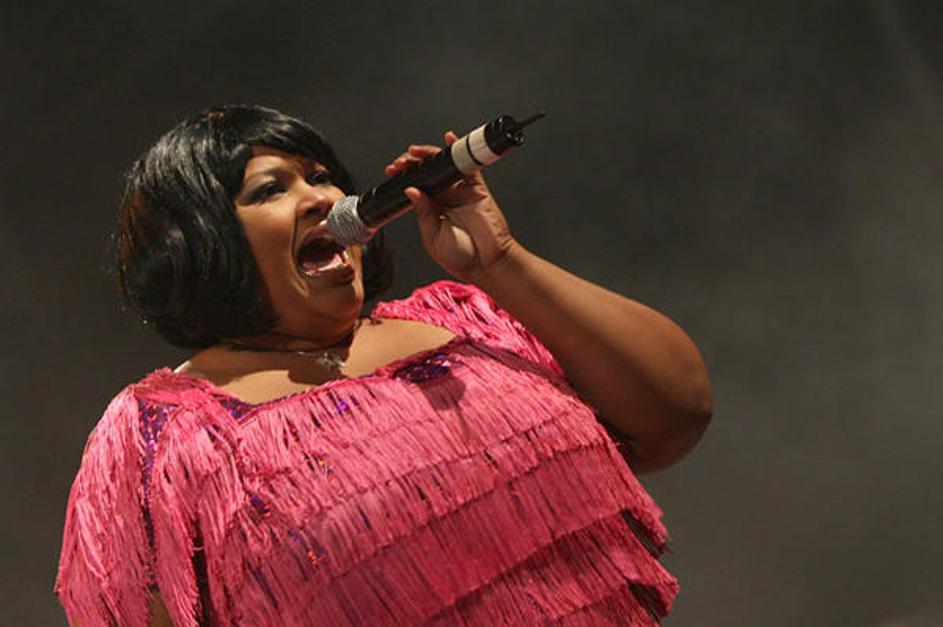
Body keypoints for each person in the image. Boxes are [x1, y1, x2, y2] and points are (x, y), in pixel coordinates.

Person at [55, 104, 712, 626]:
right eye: (271, 189)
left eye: (321, 176)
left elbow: (676, 410)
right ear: (199, 240)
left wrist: (499, 261)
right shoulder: (162, 433)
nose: (322, 198)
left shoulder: (468, 321)